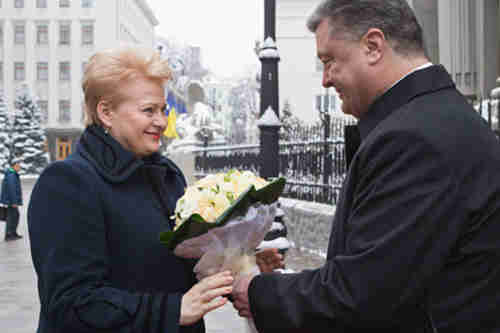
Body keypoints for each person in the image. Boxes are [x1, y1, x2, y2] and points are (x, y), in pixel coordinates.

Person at [232, 1, 500, 332]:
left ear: (373, 46)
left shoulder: (416, 137)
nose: (326, 80)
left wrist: (258, 292)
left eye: (329, 60)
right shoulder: (432, 118)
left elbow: (365, 293)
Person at [28, 47, 281, 333]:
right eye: (149, 110)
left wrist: (237, 266)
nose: (161, 121)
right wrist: (173, 311)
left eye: (163, 109)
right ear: (106, 112)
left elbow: (180, 275)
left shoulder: (166, 176)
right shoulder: (68, 183)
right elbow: (71, 304)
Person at [1, 161, 23, 241]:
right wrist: (14, 202)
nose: (19, 168)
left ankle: (13, 233)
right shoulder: (11, 175)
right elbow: (12, 189)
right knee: (11, 217)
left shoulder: (13, 174)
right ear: (13, 167)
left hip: (11, 200)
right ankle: (9, 235)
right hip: (11, 201)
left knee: (15, 216)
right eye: (17, 166)